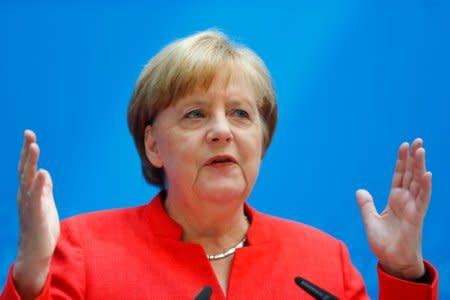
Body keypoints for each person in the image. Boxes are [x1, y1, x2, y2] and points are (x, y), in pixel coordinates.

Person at [1, 30, 438, 299]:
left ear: (261, 140)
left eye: (241, 114)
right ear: (153, 145)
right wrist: (30, 275)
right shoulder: (82, 252)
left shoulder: (327, 261)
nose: (222, 131)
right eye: (195, 114)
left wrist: (404, 275)